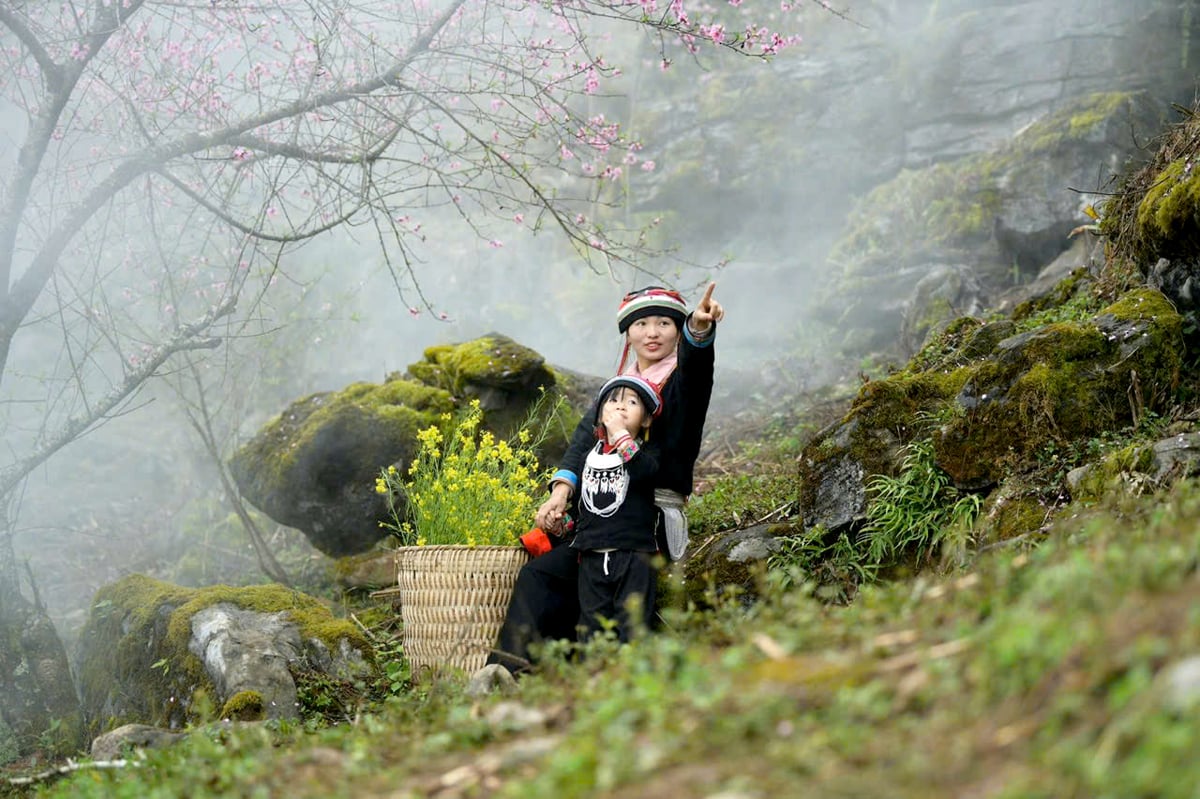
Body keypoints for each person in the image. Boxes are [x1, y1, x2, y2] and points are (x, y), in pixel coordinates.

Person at [485, 283, 724, 675]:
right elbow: (582, 443)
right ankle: (508, 670)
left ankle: (617, 675)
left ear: (676, 330)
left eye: (665, 323)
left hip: (647, 523)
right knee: (540, 575)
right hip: (599, 524)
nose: (652, 332)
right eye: (642, 323)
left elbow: (698, 371)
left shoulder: (682, 384)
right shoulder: (616, 391)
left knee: (615, 596)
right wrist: (561, 493)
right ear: (627, 333)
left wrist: (698, 331)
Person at [571, 375, 663, 642]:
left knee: (632, 625)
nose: (620, 407)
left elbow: (645, 472)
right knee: (591, 625)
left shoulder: (647, 452)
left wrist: (622, 436)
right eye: (612, 401)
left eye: (632, 402)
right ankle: (594, 677)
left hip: (633, 553)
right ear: (600, 414)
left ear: (645, 420)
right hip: (591, 554)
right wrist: (565, 521)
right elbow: (582, 501)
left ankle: (630, 678)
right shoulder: (589, 455)